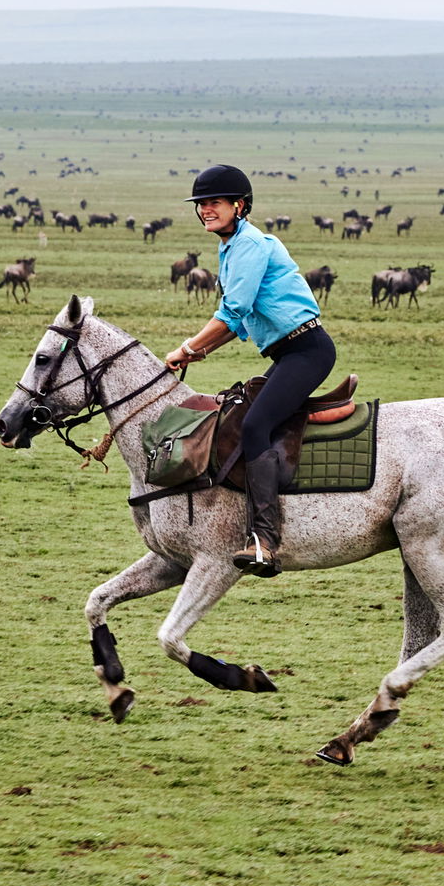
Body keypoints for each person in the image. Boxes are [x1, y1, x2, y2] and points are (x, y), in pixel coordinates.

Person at [163, 165, 335, 578]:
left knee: (256, 426)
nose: (205, 210)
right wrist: (197, 354)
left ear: (239, 206)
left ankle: (265, 540)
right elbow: (236, 322)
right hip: (288, 352)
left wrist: (187, 347)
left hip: (306, 351)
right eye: (201, 204)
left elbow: (232, 311)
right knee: (242, 417)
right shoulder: (232, 247)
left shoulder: (250, 245)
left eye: (214, 203)